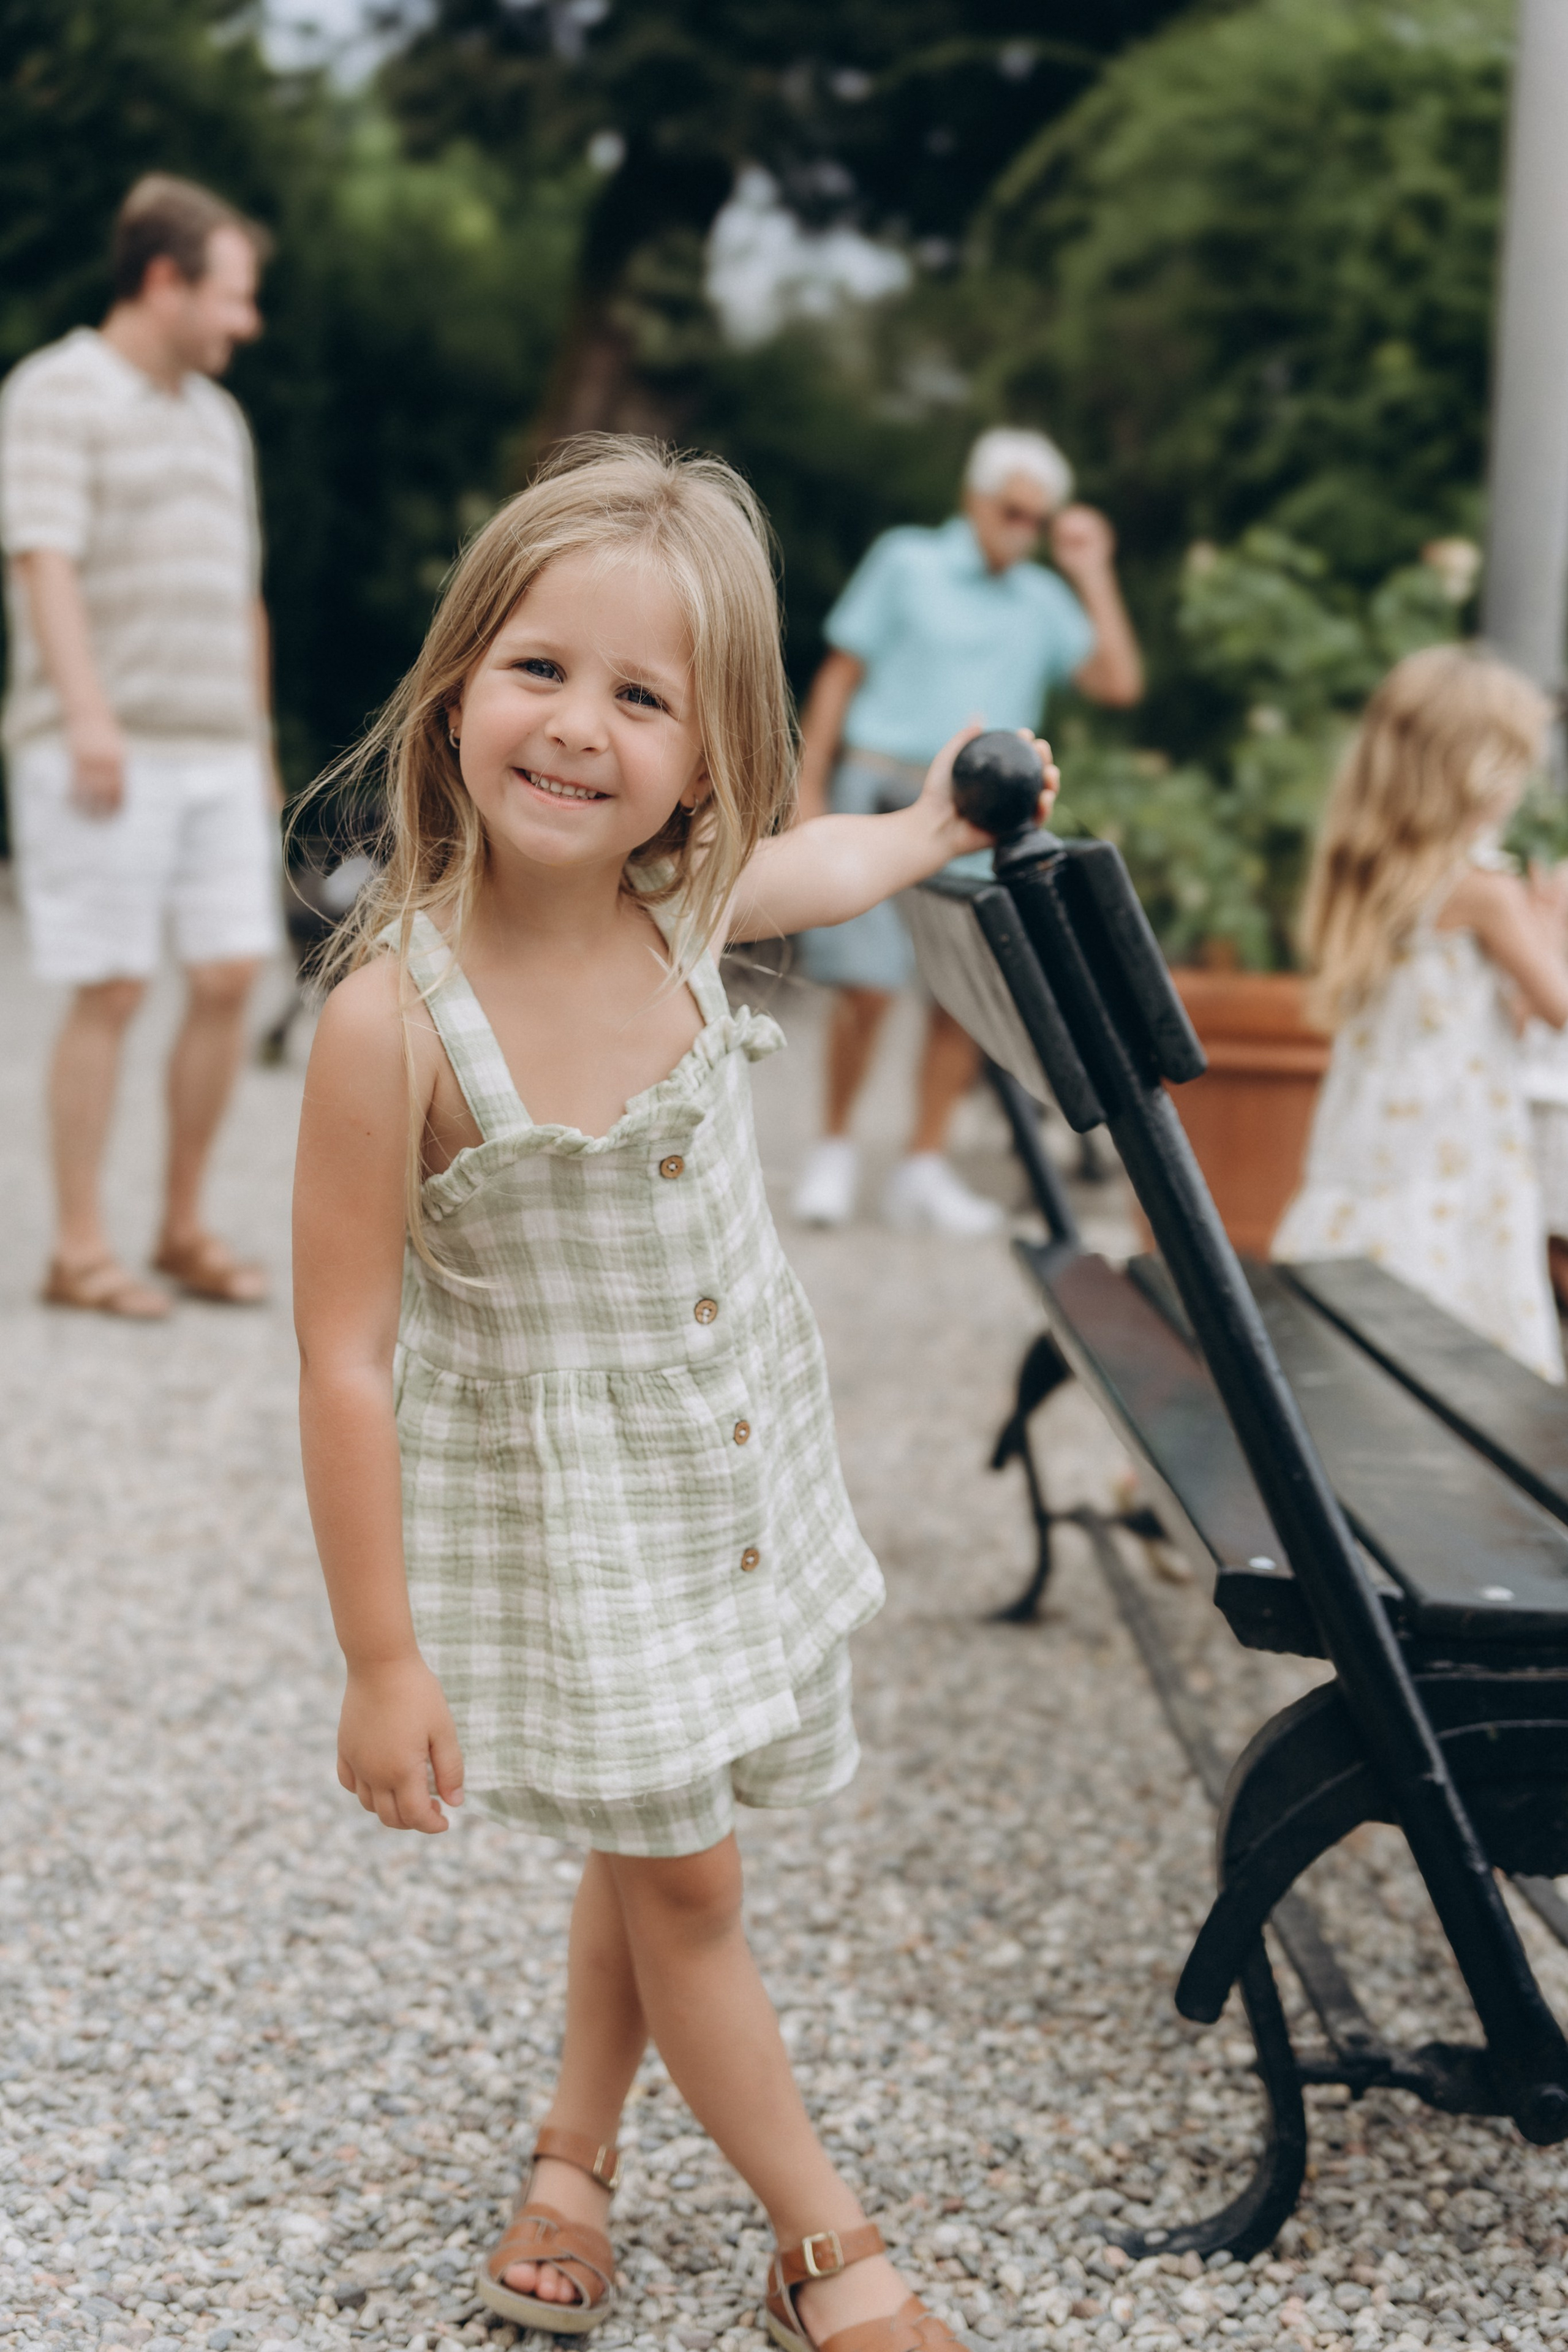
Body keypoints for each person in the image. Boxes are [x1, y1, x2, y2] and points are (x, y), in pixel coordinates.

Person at [292, 439, 1057, 2350]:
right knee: (692, 1879)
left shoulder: (684, 908)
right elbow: (336, 1352)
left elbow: (833, 857)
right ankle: (826, 2243)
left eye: (642, 697)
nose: (576, 727)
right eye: (540, 667)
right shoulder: (395, 1018)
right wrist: (381, 1656)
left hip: (727, 1477)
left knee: (664, 1827)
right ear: (459, 678)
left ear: (707, 756)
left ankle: (574, 2149)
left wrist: (933, 824)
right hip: (582, 1529)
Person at [0, 174, 282, 1317]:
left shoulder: (221, 421)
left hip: (217, 745)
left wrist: (262, 745)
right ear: (165, 281)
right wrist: (87, 715)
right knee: (111, 985)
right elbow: (43, 558)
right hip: (98, 744)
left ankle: (180, 1226)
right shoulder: (55, 392)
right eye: (235, 296)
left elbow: (244, 597)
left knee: (226, 975)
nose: (246, 323)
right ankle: (77, 1248)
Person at [790, 426, 1142, 1234]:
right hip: (882, 782)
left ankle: (922, 1164)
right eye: (1011, 510)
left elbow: (1118, 682)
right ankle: (834, 1150)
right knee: (866, 986)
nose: (1021, 528)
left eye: (1036, 518)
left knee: (962, 997)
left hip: (984, 813)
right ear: (976, 501)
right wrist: (809, 786)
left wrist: (1091, 570)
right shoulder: (907, 561)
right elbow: (841, 674)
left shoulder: (1046, 599)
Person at [1273, 644, 1568, 1382]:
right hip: (1454, 1166)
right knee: (1467, 1361)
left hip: (1372, 1158)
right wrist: (1554, 928)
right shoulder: (1482, 891)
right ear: (1476, 769)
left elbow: (1476, 1023)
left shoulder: (1376, 872)